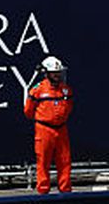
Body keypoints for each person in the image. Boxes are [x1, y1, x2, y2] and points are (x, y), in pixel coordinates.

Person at [24, 55, 73, 194]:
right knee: (43, 161)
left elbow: (69, 106)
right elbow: (28, 110)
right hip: (44, 129)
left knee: (64, 161)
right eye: (54, 73)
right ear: (46, 73)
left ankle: (65, 190)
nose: (57, 75)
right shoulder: (37, 90)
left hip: (61, 129)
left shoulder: (66, 90)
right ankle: (43, 191)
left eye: (58, 72)